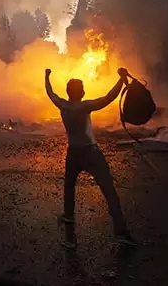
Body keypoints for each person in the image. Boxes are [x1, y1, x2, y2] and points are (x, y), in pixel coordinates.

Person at [45, 67, 137, 248]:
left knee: (69, 186)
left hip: (73, 152)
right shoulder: (86, 106)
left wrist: (46, 76)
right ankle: (120, 232)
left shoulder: (62, 105)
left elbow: (50, 92)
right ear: (82, 92)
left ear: (68, 92)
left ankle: (69, 217)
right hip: (90, 152)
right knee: (109, 191)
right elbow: (109, 98)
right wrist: (121, 79)